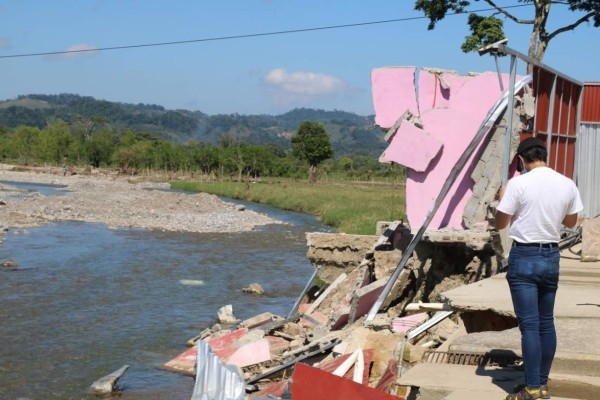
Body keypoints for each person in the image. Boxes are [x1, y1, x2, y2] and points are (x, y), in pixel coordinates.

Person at [495, 136, 583, 400]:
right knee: (546, 323)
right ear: (545, 156)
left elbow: (501, 222)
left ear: (521, 160)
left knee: (530, 326)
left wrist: (502, 197)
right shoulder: (566, 183)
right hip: (551, 256)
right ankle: (541, 383)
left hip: (524, 255)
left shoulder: (517, 184)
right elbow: (570, 221)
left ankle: (532, 388)